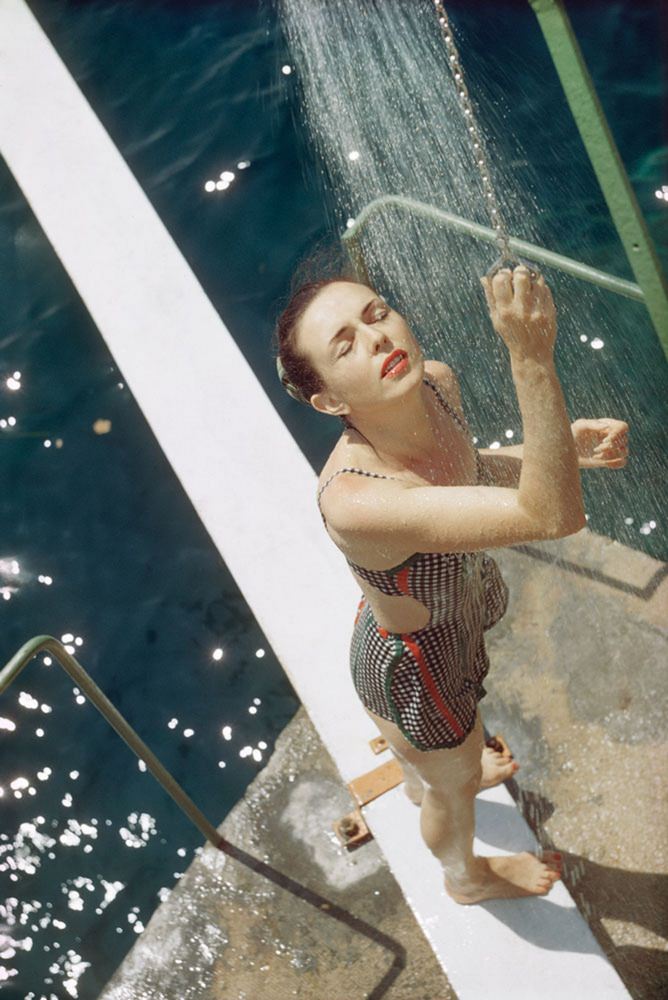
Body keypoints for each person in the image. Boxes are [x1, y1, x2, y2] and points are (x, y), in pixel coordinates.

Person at [274, 266, 629, 904]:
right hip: (417, 667)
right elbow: (551, 517)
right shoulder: (355, 499)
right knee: (453, 786)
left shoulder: (435, 383)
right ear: (329, 401)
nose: (376, 339)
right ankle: (464, 876)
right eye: (345, 345)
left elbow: (466, 469)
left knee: (449, 759)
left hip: (455, 615)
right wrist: (529, 356)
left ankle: (425, 770)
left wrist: (549, 455)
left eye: (376, 314)